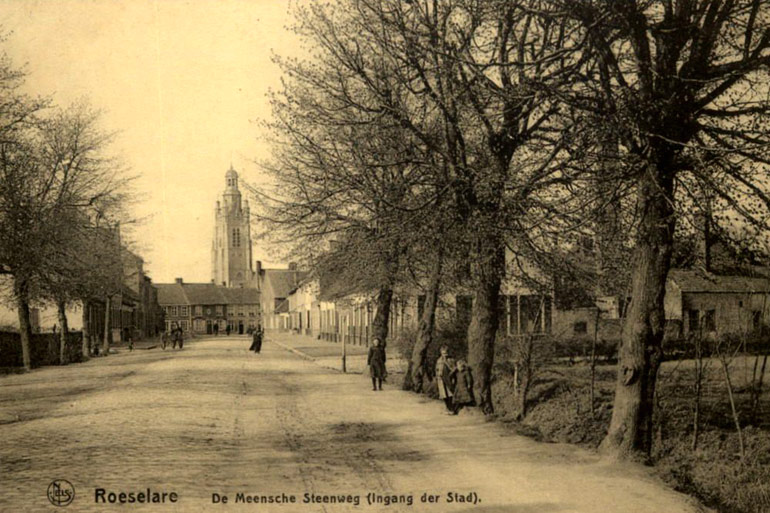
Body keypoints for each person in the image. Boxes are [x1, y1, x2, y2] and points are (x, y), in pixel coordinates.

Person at [435, 345, 456, 414]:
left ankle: (451, 408)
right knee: (443, 394)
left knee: (450, 393)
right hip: (441, 379)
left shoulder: (451, 360)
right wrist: (437, 375)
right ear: (441, 353)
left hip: (448, 379)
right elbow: (437, 369)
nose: (444, 355)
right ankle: (447, 408)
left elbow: (453, 369)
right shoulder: (439, 360)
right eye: (443, 353)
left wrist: (451, 375)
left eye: (446, 353)